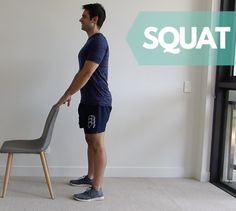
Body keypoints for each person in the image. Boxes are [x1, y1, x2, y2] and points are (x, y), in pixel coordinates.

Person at [55, 3, 112, 202]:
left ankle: (97, 189)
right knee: (90, 140)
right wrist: (71, 93)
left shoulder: (98, 42)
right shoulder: (91, 42)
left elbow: (87, 73)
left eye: (84, 16)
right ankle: (90, 177)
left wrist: (65, 95)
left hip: (98, 101)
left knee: (97, 143)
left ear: (94, 19)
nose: (81, 19)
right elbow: (81, 72)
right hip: (89, 100)